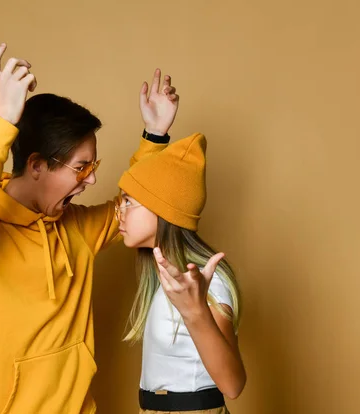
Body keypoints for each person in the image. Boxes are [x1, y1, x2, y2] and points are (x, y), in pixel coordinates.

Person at [0, 42, 179, 414]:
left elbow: (132, 209)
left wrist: (155, 136)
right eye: (81, 167)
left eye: (93, 167)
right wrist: (1, 123)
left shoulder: (76, 227)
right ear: (37, 165)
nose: (90, 181)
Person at [116, 125, 247, 413]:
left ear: (162, 210)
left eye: (128, 201)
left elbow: (233, 385)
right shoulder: (163, 276)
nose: (119, 213)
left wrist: (195, 311)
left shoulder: (205, 281)